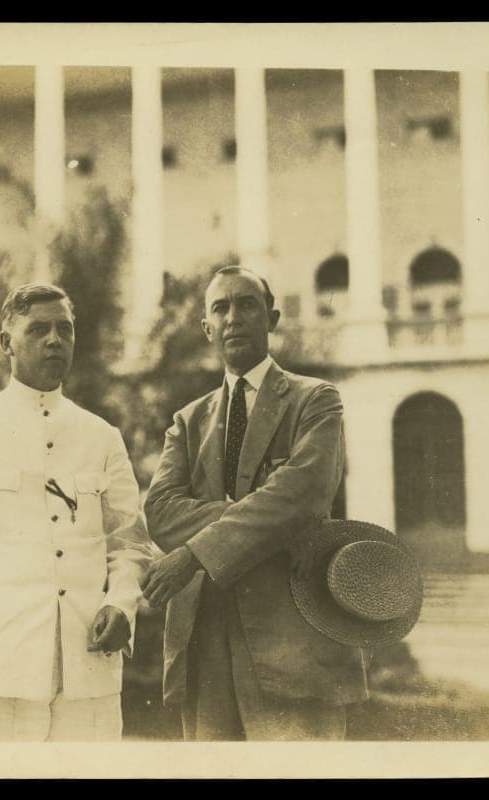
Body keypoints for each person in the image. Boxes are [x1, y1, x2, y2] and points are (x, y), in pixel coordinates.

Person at [0, 283, 152, 742]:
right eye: (39, 329)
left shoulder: (102, 437)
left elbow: (131, 543)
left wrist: (121, 604)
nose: (54, 340)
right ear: (7, 342)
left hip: (89, 672)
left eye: (65, 329)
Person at [142, 266, 367, 741]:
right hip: (204, 639)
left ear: (273, 317)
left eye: (247, 305)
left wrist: (196, 551)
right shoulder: (188, 421)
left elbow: (302, 493)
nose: (233, 318)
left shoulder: (316, 400)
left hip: (293, 637)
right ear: (206, 328)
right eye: (219, 308)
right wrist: (268, 517)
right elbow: (159, 511)